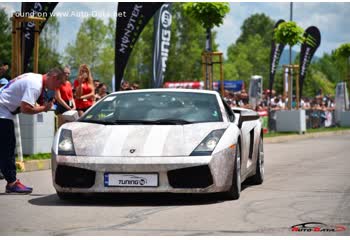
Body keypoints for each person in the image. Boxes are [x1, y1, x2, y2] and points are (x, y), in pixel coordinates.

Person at [0, 67, 65, 194]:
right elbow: (25, 109)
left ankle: (11, 181)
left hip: (4, 110)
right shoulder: (35, 85)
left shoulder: (34, 77)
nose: (58, 88)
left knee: (4, 147)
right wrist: (44, 108)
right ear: (53, 78)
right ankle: (12, 183)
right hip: (2, 112)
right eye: (59, 84)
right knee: (8, 148)